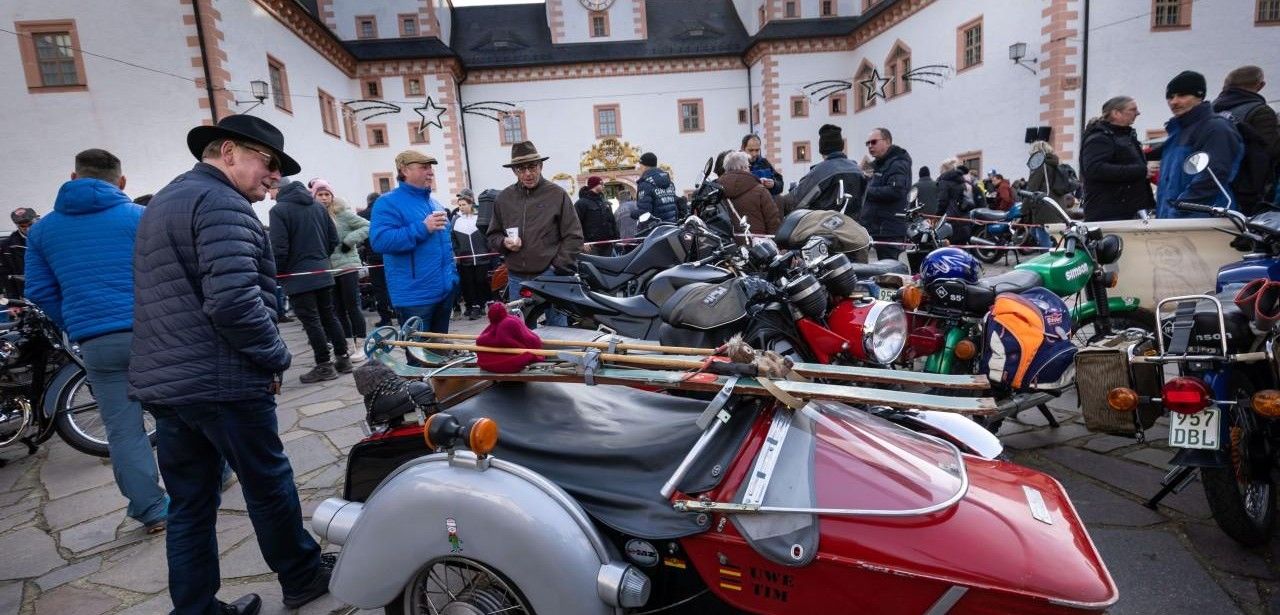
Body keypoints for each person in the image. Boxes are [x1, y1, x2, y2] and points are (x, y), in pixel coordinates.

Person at [130, 114, 332, 615]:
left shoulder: (165, 201)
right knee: (268, 483)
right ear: (227, 152)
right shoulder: (223, 203)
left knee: (190, 502)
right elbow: (234, 304)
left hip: (170, 383)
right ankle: (302, 575)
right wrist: (277, 356)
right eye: (268, 162)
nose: (275, 177)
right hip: (220, 381)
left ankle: (196, 608)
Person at [24, 148, 168, 534]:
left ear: (73, 178)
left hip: (96, 341)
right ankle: (209, 481)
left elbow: (39, 289)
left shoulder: (41, 230)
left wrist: (76, 319)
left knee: (124, 431)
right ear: (121, 182)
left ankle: (152, 510)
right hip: (153, 331)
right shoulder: (141, 217)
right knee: (180, 414)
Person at [487, 141, 583, 327]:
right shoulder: (504, 198)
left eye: (532, 167)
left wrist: (556, 268)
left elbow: (574, 236)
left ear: (540, 166)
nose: (528, 173)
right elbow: (492, 235)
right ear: (514, 171)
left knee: (558, 330)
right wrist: (504, 242)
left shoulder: (557, 194)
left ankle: (557, 357)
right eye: (521, 169)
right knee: (520, 331)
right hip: (517, 276)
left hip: (551, 276)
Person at [369, 150, 460, 333]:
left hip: (443, 292)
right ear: (404, 170)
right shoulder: (387, 203)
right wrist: (422, 228)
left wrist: (453, 278)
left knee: (438, 354)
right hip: (414, 297)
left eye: (431, 168)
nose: (430, 172)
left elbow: (446, 246)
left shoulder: (435, 204)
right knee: (418, 358)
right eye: (424, 167)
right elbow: (380, 241)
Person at [270, 178, 350, 382]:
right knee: (329, 316)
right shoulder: (317, 206)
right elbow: (333, 239)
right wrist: (321, 259)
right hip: (322, 271)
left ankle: (324, 365)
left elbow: (279, 248)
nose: (269, 194)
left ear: (278, 189)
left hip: (297, 276)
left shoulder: (279, 210)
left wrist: (277, 272)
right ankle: (343, 359)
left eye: (270, 189)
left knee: (312, 321)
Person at [1156, 70, 1244, 218]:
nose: (1174, 102)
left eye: (1182, 95)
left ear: (1200, 96)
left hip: (1203, 221)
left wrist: (1178, 211)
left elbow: (1212, 177)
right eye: (1170, 97)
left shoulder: (1216, 128)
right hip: (1174, 220)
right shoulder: (1177, 131)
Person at [313, 179, 369, 362]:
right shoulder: (314, 215)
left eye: (326, 194)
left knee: (352, 305)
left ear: (332, 196)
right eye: (320, 194)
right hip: (329, 269)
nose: (323, 198)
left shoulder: (342, 213)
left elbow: (366, 226)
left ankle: (361, 345)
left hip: (347, 265)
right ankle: (349, 345)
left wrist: (348, 241)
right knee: (337, 310)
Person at [1212, 65, 1279, 213]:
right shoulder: (1261, 112)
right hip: (1250, 191)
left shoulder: (1212, 110)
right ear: (1260, 85)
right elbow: (1271, 150)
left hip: (1216, 185)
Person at [1080, 95, 1156, 221]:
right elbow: (1095, 169)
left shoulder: (1123, 136)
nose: (1138, 113)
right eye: (1132, 109)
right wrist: (1141, 171)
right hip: (1109, 214)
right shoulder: (1100, 138)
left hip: (1127, 210)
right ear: (1116, 113)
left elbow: (1130, 158)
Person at [791, 124, 865, 214]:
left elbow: (797, 201)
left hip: (824, 225)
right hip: (854, 225)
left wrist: (793, 189)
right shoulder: (858, 170)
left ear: (822, 148)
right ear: (841, 145)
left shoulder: (820, 171)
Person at [863, 127, 913, 260]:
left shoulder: (898, 163)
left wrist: (866, 191)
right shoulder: (880, 164)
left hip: (888, 228)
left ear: (887, 142)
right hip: (877, 226)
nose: (870, 146)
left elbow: (896, 191)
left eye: (873, 142)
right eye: (867, 143)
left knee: (889, 270)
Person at [719, 151, 781, 238]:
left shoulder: (717, 191)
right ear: (743, 167)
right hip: (757, 244)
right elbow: (773, 220)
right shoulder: (760, 190)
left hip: (729, 245)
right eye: (748, 166)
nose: (749, 169)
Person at [452, 193, 495, 319]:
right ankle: (476, 306)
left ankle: (489, 302)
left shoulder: (479, 219)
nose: (461, 207)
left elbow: (488, 236)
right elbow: (454, 240)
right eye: (459, 205)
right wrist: (459, 252)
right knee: (469, 283)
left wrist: (487, 249)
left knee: (482, 281)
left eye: (464, 204)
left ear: (470, 204)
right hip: (466, 260)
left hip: (482, 258)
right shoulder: (457, 221)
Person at [358, 191, 395, 327]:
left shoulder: (362, 215)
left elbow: (361, 238)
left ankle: (385, 317)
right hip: (390, 253)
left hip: (373, 255)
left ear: (368, 201)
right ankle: (397, 312)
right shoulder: (388, 212)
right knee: (393, 285)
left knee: (379, 288)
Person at [1024, 140, 1072, 246]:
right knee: (1059, 241)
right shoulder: (1057, 164)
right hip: (1059, 207)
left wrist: (1023, 211)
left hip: (1044, 209)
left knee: (1044, 242)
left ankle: (1050, 261)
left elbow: (1031, 189)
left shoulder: (1040, 165)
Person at [575, 176, 619, 254]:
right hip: (591, 246)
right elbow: (575, 225)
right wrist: (582, 242)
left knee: (608, 266)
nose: (603, 186)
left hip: (608, 244)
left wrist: (617, 238)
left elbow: (612, 222)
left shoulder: (604, 203)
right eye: (601, 184)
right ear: (594, 185)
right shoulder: (581, 203)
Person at [0, 207, 37, 299]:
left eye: (30, 224)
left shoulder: (49, 239)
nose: (28, 229)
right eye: (23, 226)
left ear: (36, 220)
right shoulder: (8, 245)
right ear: (17, 225)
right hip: (26, 296)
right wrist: (13, 301)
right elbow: (6, 274)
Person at [635, 152, 680, 223]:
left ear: (644, 166)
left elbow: (644, 212)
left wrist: (633, 213)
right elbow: (675, 207)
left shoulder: (645, 184)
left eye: (640, 165)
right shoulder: (669, 182)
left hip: (656, 229)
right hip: (671, 226)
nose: (639, 168)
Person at [936, 158, 971, 245]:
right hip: (963, 218)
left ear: (944, 169)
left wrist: (937, 216)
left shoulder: (944, 181)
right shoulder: (961, 180)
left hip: (950, 220)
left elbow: (942, 202)